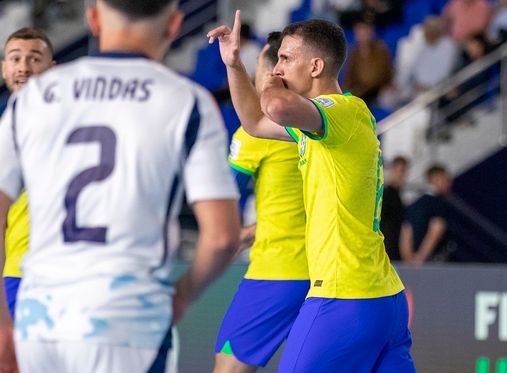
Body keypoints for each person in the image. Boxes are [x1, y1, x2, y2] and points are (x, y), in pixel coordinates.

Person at [0, 0, 241, 372]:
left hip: (40, 317)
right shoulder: (186, 101)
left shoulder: (32, 99)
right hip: (129, 318)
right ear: (174, 25)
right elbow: (223, 237)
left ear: (93, 18)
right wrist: (182, 296)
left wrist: (3, 322)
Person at [208, 11, 414, 372]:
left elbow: (273, 105)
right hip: (383, 297)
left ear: (316, 66)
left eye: (286, 59)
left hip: (343, 294)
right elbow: (255, 122)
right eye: (278, 60)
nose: (279, 68)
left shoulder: (339, 112)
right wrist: (234, 65)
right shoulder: (322, 121)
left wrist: (268, 75)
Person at [214, 32, 309, 373]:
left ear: (270, 73)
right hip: (326, 274)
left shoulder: (255, 133)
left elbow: (223, 195)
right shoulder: (319, 123)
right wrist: (254, 228)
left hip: (277, 271)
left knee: (228, 366)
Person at [1, 28, 55, 326]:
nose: (23, 67)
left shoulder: (73, 126)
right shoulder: (5, 131)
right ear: (4, 68)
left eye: (34, 58)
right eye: (15, 58)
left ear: (52, 68)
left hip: (59, 274)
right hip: (14, 274)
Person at [401, 164, 454, 266]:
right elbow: (435, 230)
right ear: (436, 178)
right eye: (446, 179)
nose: (449, 183)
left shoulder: (413, 204)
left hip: (412, 262)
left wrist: (408, 258)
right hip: (432, 262)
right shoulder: (439, 203)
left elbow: (406, 231)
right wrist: (420, 258)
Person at [343, 17, 394, 106]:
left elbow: (386, 71)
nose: (362, 34)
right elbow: (349, 75)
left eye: (365, 30)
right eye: (359, 31)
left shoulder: (381, 49)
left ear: (371, 32)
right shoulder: (353, 52)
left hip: (379, 89)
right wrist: (348, 90)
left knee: (388, 99)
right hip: (360, 91)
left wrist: (387, 85)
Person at [380, 156, 408, 261]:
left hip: (394, 249)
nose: (400, 175)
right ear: (392, 170)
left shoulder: (397, 195)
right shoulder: (386, 194)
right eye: (398, 170)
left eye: (403, 171)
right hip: (387, 249)